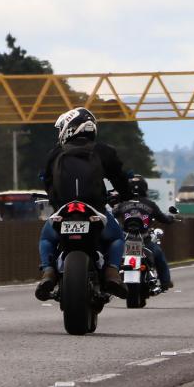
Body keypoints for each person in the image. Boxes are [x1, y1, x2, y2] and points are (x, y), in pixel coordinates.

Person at [36, 107, 130, 301]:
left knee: (46, 238)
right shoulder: (105, 151)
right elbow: (120, 179)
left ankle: (48, 272)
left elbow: (46, 179)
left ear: (68, 128)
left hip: (64, 209)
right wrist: (126, 196)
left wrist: (56, 202)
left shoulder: (55, 153)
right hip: (95, 209)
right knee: (117, 238)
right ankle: (112, 271)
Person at [114, 175, 176, 289]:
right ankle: (165, 282)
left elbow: (113, 215)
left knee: (112, 258)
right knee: (160, 257)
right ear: (144, 188)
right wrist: (171, 218)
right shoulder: (150, 204)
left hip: (125, 241)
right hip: (145, 241)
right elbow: (163, 218)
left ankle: (110, 279)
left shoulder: (122, 204)